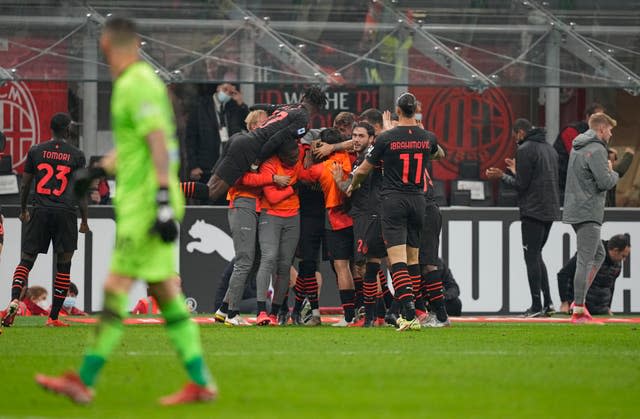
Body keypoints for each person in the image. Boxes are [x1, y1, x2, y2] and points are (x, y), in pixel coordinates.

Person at [35, 16, 216, 405]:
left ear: (112, 47)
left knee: (115, 288)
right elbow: (139, 143)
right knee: (165, 289)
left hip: (147, 203)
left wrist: (164, 202)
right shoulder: (134, 85)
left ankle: (83, 379)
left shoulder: (136, 84)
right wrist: (98, 169)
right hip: (144, 199)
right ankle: (200, 380)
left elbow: (160, 144)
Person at [349, 92, 438, 331]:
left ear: (398, 110)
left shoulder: (387, 138)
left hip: (393, 201)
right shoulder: (427, 137)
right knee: (413, 260)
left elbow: (363, 170)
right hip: (419, 201)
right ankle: (409, 313)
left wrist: (353, 183)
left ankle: (407, 314)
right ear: (414, 110)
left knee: (396, 260)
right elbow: (439, 154)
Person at [0, 112, 89, 328]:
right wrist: (84, 220)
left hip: (40, 210)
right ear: (67, 130)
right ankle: (54, 317)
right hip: (65, 213)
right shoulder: (76, 155)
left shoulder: (36, 151)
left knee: (26, 260)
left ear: (51, 129)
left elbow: (25, 184)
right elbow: (81, 191)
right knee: (64, 265)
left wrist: (23, 210)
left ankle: (14, 299)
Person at [486, 119, 561, 317]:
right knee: (537, 255)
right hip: (550, 210)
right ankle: (548, 303)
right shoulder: (549, 149)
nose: (515, 141)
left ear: (520, 133)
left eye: (515, 137)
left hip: (533, 211)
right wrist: (515, 171)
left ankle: (536, 306)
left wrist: (502, 176)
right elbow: (537, 178)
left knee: (531, 257)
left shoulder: (525, 149)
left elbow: (522, 185)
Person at [207, 86, 327, 201]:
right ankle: (186, 193)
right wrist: (257, 160)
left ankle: (187, 190)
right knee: (212, 193)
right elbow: (277, 138)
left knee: (210, 186)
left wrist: (255, 112)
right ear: (318, 108)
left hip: (237, 139)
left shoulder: (290, 107)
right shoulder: (303, 120)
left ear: (303, 97)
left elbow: (261, 107)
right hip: (248, 146)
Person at [562, 112, 619, 324]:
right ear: (602, 129)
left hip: (577, 208)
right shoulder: (596, 149)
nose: (611, 133)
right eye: (610, 129)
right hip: (588, 211)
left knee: (598, 254)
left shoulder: (579, 147)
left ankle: (580, 302)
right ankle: (578, 308)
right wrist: (614, 172)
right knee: (586, 259)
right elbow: (604, 182)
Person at [185, 82, 249, 185]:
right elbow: (191, 139)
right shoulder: (201, 106)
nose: (227, 93)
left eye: (231, 92)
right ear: (218, 88)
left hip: (229, 165)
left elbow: (248, 126)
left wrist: (241, 104)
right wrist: (193, 165)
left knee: (225, 198)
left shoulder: (233, 106)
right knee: (208, 196)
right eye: (225, 89)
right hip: (206, 166)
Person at [557, 234, 630, 315]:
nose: (624, 259)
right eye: (623, 256)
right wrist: (564, 302)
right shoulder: (590, 252)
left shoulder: (617, 263)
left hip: (602, 310)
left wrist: (608, 307)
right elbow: (563, 274)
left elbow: (611, 286)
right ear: (615, 250)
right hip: (581, 308)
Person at [554, 103, 605, 202]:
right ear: (587, 117)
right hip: (564, 185)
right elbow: (579, 156)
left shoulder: (596, 136)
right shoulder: (571, 131)